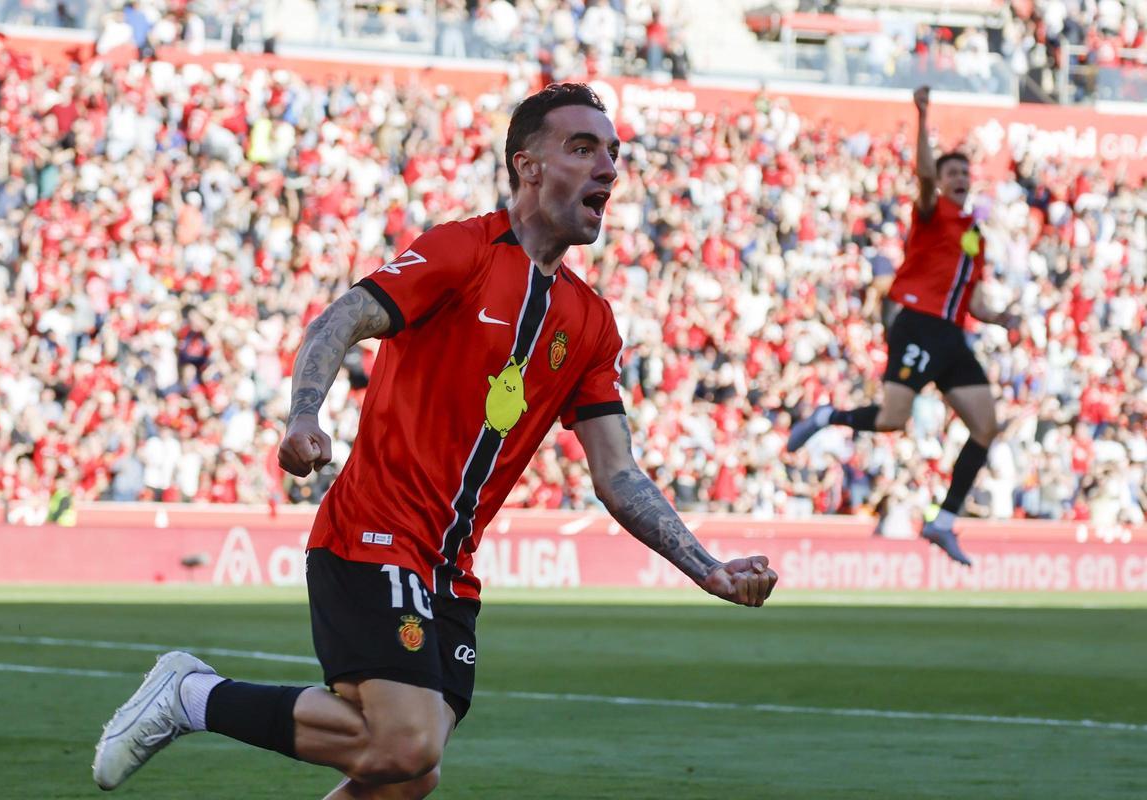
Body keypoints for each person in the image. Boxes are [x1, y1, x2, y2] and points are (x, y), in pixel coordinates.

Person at [92, 83, 779, 799]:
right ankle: (191, 695)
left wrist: (705, 566)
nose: (607, 166)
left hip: (451, 569)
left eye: (613, 153)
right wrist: (303, 414)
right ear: (529, 166)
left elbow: (619, 475)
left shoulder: (593, 322)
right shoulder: (465, 250)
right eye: (582, 148)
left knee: (405, 778)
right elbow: (343, 318)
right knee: (404, 740)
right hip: (375, 533)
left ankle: (199, 698)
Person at [785, 85, 1018, 567]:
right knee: (893, 420)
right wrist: (923, 113)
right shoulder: (934, 213)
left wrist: (1001, 318)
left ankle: (944, 522)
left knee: (986, 426)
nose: (957, 177)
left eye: (963, 172)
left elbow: (971, 299)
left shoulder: (973, 233)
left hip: (952, 335)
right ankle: (827, 417)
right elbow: (924, 175)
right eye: (950, 171)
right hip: (917, 324)